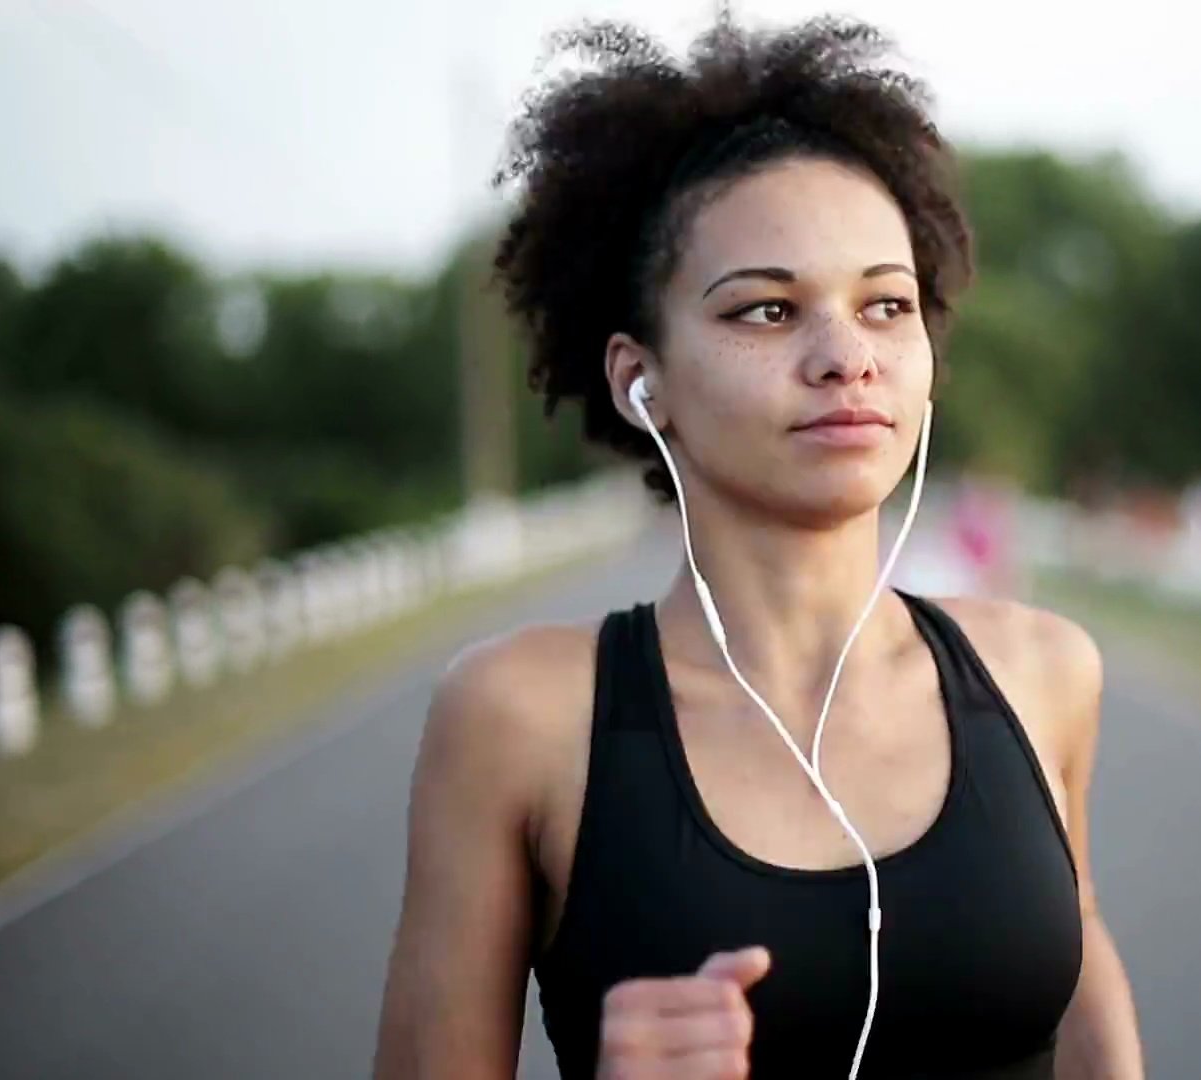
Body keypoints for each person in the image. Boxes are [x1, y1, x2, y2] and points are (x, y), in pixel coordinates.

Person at [373, 11, 1144, 1079]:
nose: (846, 357)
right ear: (641, 378)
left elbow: (1086, 1000)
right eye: (769, 312)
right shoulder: (522, 719)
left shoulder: (1041, 674)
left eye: (886, 304)